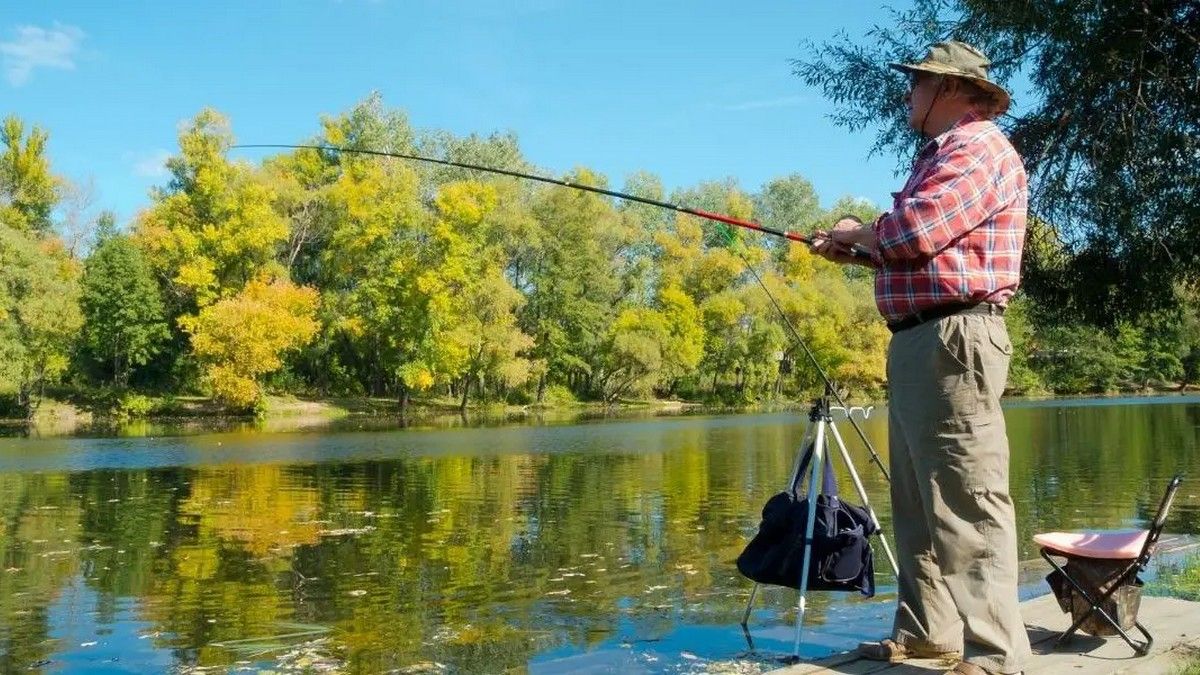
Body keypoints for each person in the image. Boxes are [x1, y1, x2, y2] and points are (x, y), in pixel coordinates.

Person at [812, 41, 1031, 675]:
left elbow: (916, 231)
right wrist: (856, 250)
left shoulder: (976, 146)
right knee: (917, 499)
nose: (907, 94)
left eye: (917, 83)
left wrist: (862, 231)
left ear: (952, 90)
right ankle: (929, 635)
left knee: (968, 498)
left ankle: (996, 656)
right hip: (922, 340)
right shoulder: (942, 155)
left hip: (954, 340)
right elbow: (916, 246)